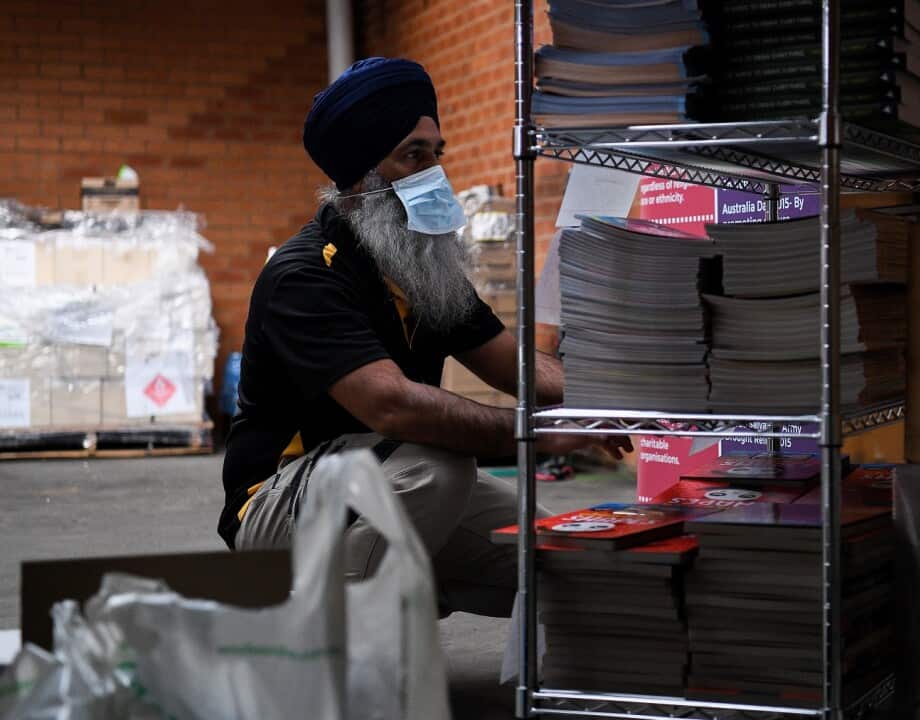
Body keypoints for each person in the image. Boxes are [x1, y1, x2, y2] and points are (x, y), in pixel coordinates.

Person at [218, 57, 630, 617]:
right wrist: (538, 435)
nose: (436, 174)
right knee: (437, 467)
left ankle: (398, 585)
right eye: (413, 155)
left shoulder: (420, 270)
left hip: (387, 487)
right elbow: (392, 406)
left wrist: (612, 395)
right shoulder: (306, 274)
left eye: (438, 154)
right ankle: (325, 653)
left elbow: (517, 366)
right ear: (363, 179)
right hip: (279, 504)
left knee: (556, 559)